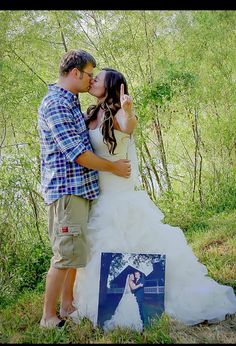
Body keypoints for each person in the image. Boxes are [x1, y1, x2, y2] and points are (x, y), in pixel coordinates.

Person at [73, 68, 236, 330]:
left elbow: (129, 126)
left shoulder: (118, 115)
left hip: (119, 196)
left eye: (98, 78)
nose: (92, 80)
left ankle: (141, 303)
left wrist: (129, 109)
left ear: (111, 86)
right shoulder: (91, 114)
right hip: (98, 195)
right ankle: (105, 301)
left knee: (131, 243)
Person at [38, 52, 131, 328]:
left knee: (75, 254)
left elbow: (123, 127)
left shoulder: (72, 103)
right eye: (90, 73)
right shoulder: (56, 104)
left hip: (81, 191)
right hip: (67, 191)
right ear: (76, 73)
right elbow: (77, 153)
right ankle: (48, 316)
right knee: (64, 255)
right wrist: (113, 168)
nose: (92, 79)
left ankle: (67, 306)